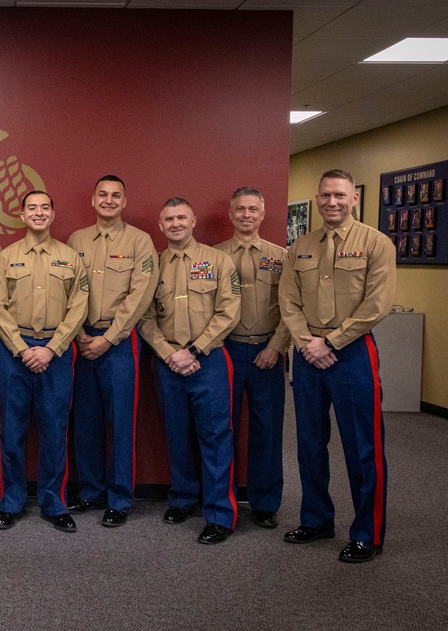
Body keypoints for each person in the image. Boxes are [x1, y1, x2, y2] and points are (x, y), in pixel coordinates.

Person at [279, 169, 396, 563]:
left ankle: (368, 532)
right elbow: (288, 301)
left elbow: (376, 306)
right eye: (326, 195)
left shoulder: (375, 244)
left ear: (354, 199)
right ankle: (316, 519)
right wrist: (307, 343)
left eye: (340, 195)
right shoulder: (301, 247)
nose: (332, 201)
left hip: (352, 353)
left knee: (364, 447)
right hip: (308, 353)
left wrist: (329, 342)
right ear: (317, 197)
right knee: (310, 444)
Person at [138, 197, 240, 545]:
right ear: (160, 225)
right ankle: (183, 498)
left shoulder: (219, 261)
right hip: (168, 363)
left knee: (215, 438)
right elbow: (145, 317)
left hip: (208, 361)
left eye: (182, 217)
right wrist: (169, 354)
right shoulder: (153, 265)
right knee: (177, 435)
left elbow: (228, 313)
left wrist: (195, 350)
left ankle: (219, 514)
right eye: (169, 219)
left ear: (194, 220)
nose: (176, 223)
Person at [0, 190, 88, 532]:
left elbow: (79, 307)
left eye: (45, 207)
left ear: (53, 214)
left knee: (55, 431)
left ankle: (53, 502)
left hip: (55, 352)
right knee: (12, 431)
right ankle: (11, 501)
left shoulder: (71, 258)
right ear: (22, 215)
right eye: (32, 208)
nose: (39, 213)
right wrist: (21, 348)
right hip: (15, 352)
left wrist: (51, 348)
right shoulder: (6, 258)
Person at [66, 175, 157, 527]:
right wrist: (78, 335)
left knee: (120, 423)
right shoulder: (77, 240)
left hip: (119, 344)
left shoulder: (139, 241)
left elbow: (141, 295)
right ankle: (90, 491)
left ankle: (119, 498)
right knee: (85, 420)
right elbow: (69, 288)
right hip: (82, 339)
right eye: (102, 195)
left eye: (115, 195)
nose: (108, 200)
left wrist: (109, 338)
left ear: (124, 201)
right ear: (93, 200)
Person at [213, 187, 289, 529]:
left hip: (267, 354)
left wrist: (276, 346)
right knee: (221, 429)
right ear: (231, 215)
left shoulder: (282, 256)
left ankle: (264, 502)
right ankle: (219, 498)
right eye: (240, 209)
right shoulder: (212, 256)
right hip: (225, 352)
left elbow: (293, 308)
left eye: (252, 209)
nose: (246, 214)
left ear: (262, 213)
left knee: (267, 430)